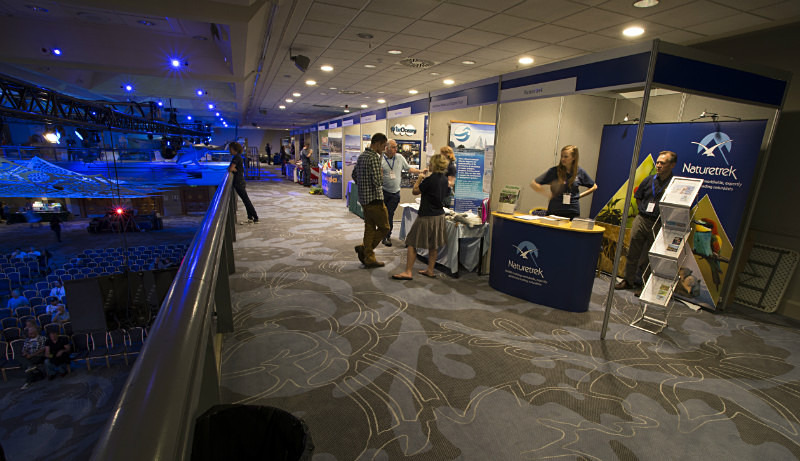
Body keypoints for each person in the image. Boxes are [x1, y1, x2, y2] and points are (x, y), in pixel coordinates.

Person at [616, 150, 678, 293]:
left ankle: (645, 286)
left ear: (672, 165)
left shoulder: (674, 185)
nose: (658, 165)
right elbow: (638, 197)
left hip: (658, 223)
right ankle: (628, 280)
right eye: (657, 162)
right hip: (642, 219)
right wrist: (642, 210)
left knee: (651, 255)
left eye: (663, 163)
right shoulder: (649, 180)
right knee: (633, 251)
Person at [392, 153, 451, 280]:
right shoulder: (445, 179)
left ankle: (408, 272)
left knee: (412, 242)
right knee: (433, 244)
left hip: (426, 215)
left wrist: (419, 178)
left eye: (431, 163)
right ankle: (430, 270)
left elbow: (415, 191)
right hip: (439, 215)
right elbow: (446, 194)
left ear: (435, 165)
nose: (429, 164)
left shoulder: (430, 180)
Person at [352, 133, 390, 268]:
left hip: (364, 198)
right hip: (375, 199)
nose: (384, 149)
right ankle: (366, 250)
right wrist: (380, 174)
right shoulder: (374, 157)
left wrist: (363, 185)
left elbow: (354, 174)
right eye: (384, 146)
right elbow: (378, 182)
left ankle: (368, 257)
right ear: (378, 144)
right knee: (385, 227)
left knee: (369, 228)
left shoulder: (362, 156)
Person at [530, 145, 597, 219]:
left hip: (572, 212)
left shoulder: (580, 172)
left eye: (566, 156)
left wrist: (579, 196)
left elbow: (594, 186)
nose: (562, 159)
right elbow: (534, 183)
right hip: (555, 210)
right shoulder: (554, 171)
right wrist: (548, 194)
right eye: (561, 156)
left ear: (574, 158)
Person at [381, 139, 421, 247]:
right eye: (393, 147)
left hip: (395, 193)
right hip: (383, 191)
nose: (396, 149)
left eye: (396, 147)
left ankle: (386, 236)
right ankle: (384, 234)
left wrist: (420, 171)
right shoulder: (380, 158)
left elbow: (408, 169)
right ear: (387, 148)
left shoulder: (399, 157)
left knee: (389, 214)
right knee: (383, 215)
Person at [228, 141, 259, 224]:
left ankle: (255, 216)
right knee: (245, 200)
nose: (229, 151)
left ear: (235, 149)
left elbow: (231, 168)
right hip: (240, 181)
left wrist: (233, 169)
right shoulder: (238, 157)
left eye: (230, 149)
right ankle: (250, 216)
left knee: (246, 200)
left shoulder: (236, 157)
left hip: (239, 182)